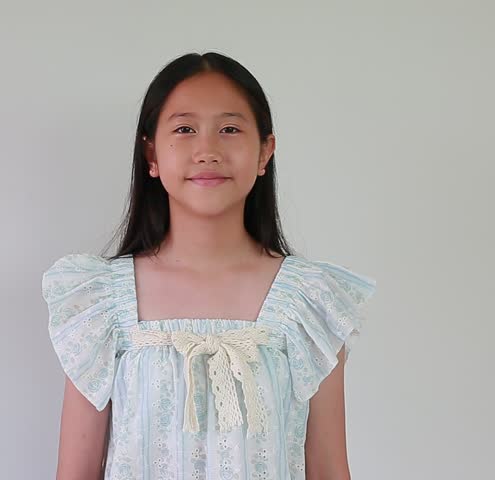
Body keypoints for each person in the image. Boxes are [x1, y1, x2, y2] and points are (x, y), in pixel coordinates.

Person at [41, 51, 376, 480]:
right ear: (152, 154)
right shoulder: (101, 304)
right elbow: (76, 472)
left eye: (230, 129)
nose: (207, 150)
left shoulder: (309, 304)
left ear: (264, 151)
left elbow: (329, 469)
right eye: (184, 129)